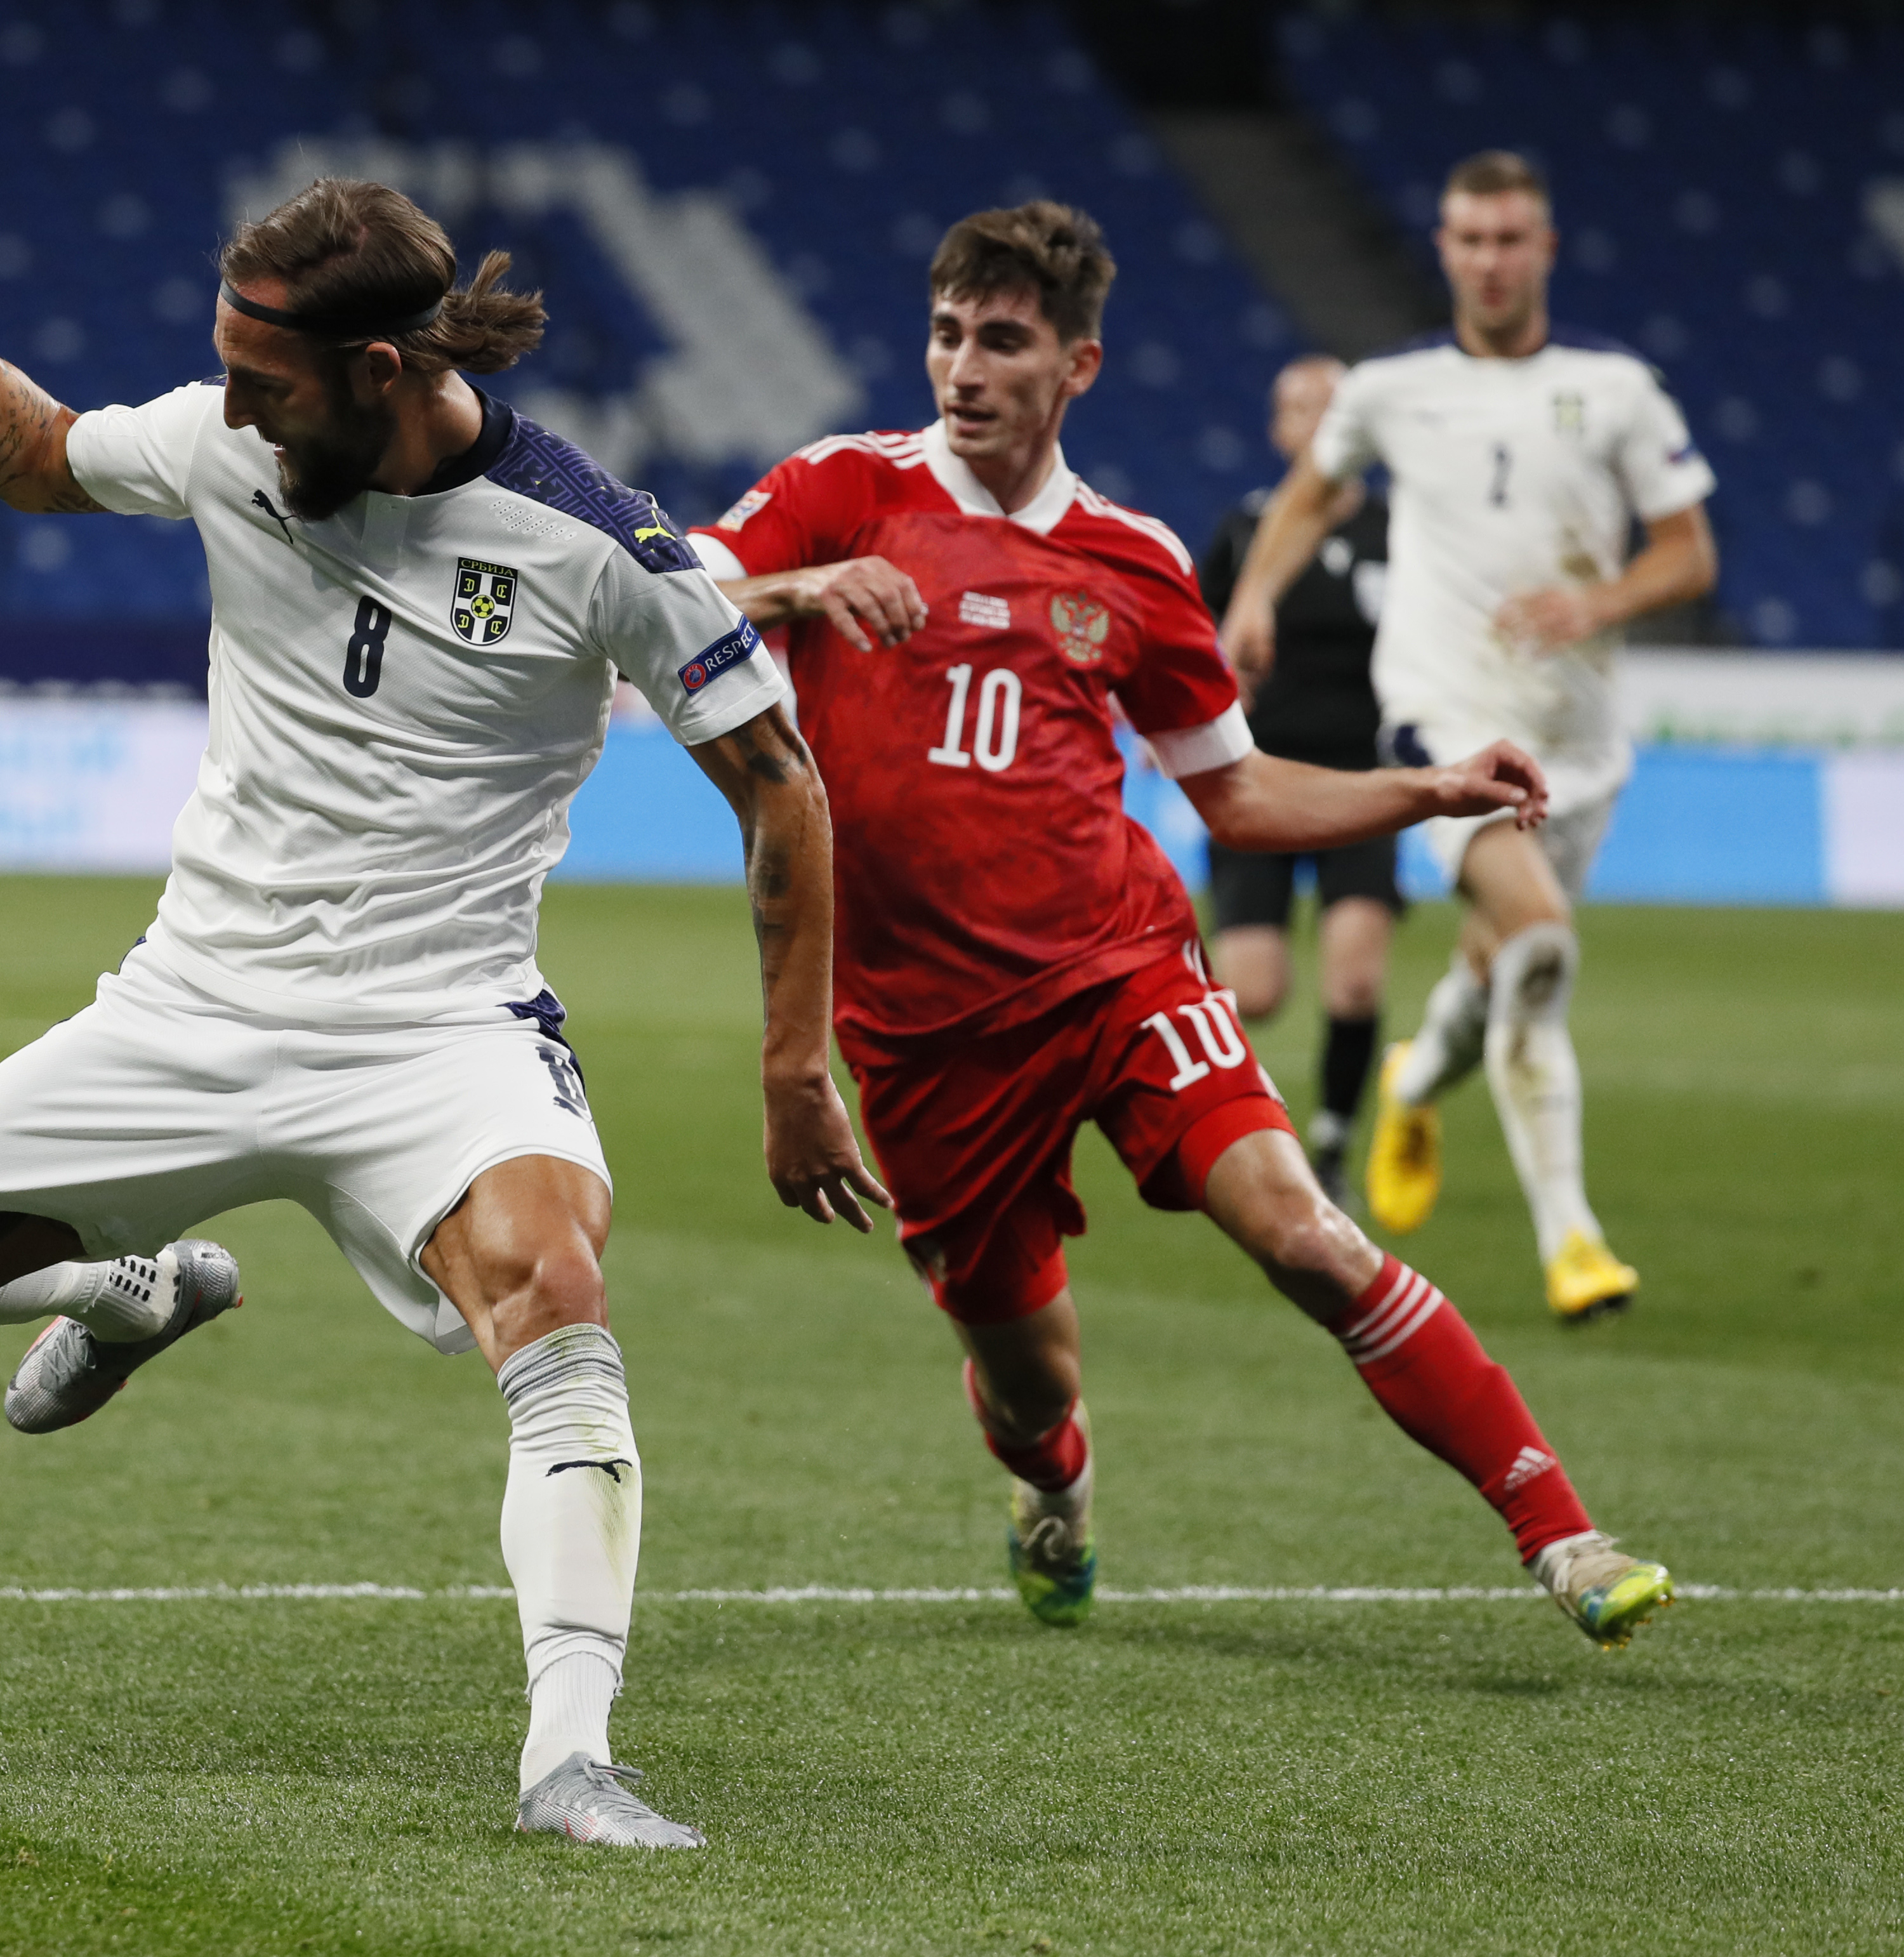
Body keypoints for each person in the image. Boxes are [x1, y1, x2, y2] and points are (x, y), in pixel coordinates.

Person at [0, 180, 887, 1849]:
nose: (234, 410)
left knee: (558, 1294)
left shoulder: (601, 547)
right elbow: (33, 453)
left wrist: (794, 1065)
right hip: (193, 1004)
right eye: (229, 374)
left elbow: (781, 788)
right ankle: (133, 1288)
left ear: (381, 367)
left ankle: (570, 1759)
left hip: (439, 1033)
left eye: (267, 380)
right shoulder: (231, 443)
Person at [686, 201, 1672, 1650]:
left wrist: (1424, 786)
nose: (963, 367)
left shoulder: (1133, 559)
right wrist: (796, 587)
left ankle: (1561, 1532)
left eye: (1002, 341)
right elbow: (666, 591)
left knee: (1306, 1236)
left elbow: (1237, 791)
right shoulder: (842, 490)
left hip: (1116, 969)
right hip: (922, 1032)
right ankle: (1054, 1485)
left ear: (1074, 365)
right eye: (947, 333)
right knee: (1029, 1382)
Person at [1218, 152, 1719, 1320]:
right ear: (1440, 248)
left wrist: (1592, 604)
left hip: (1579, 738)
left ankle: (1413, 1072)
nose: (1488, 261)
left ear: (1542, 249)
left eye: (1508, 240)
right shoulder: (1392, 391)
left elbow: (1687, 551)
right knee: (1539, 944)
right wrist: (1251, 597)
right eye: (1468, 239)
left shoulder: (1616, 390)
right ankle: (1572, 1241)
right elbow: (1302, 494)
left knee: (1498, 965)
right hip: (1439, 722)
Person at [1195, 355, 1396, 1206]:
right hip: (1258, 781)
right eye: (1299, 408)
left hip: (1362, 783)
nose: (1315, 421)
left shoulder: (1402, 530)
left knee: (1355, 974)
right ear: (1277, 429)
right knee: (1257, 992)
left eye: (1332, 406)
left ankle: (1333, 1145)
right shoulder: (1247, 530)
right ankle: (1226, 1131)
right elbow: (1192, 636)